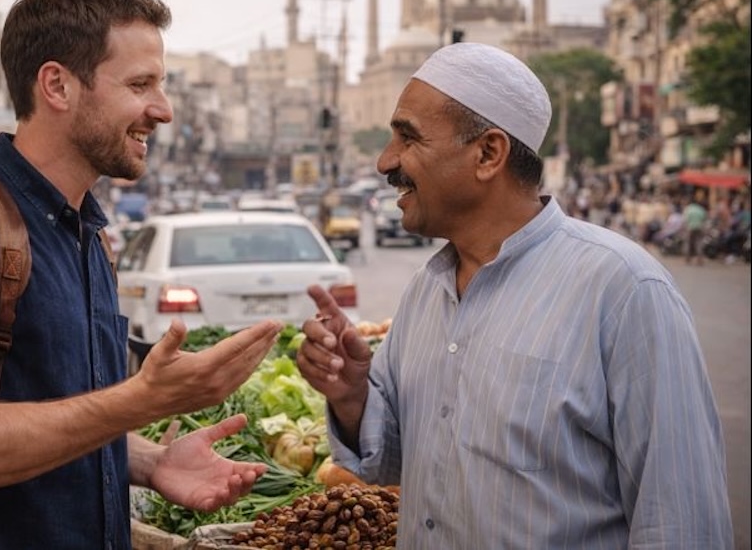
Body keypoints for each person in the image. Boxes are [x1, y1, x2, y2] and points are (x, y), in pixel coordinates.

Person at [0, 0, 283, 549]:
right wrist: (141, 400)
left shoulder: (86, 232)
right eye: (140, 84)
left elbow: (52, 412)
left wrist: (150, 462)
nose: (161, 111)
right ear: (58, 86)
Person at [296, 42, 732, 548]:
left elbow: (681, 521)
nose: (385, 161)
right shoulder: (426, 291)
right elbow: (396, 460)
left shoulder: (624, 291)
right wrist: (352, 396)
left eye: (408, 138)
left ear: (488, 154)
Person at [683, 191, 709, 265]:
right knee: (699, 243)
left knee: (689, 243)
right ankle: (700, 259)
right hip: (699, 227)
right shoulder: (701, 209)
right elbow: (705, 219)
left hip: (690, 228)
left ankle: (687, 259)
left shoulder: (688, 209)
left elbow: (685, 219)